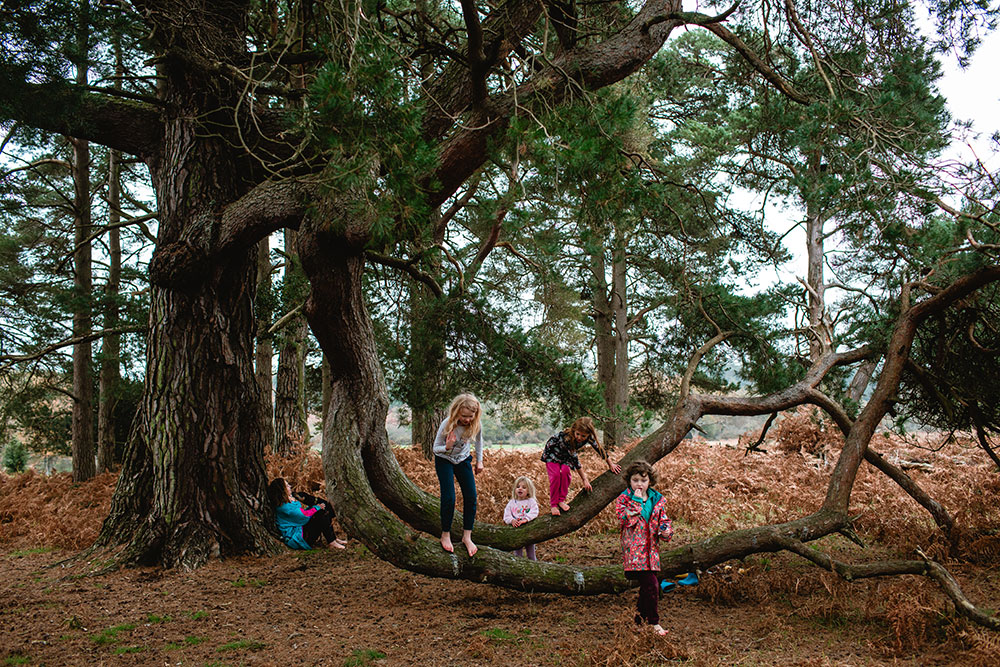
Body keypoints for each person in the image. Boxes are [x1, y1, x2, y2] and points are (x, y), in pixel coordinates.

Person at [615, 460, 673, 637]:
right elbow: (626, 520)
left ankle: (638, 623)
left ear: (650, 481)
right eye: (635, 480)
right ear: (629, 481)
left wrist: (665, 531)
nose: (639, 484)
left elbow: (663, 521)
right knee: (652, 585)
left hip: (651, 552)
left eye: (643, 480)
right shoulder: (624, 499)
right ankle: (654, 623)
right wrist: (636, 500)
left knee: (646, 589)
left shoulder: (657, 499)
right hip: (634, 552)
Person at [433, 393, 484, 556]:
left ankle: (467, 536)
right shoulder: (447, 424)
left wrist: (480, 461)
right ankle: (445, 534)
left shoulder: (475, 424)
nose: (467, 420)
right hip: (444, 460)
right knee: (449, 497)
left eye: (470, 416)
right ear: (456, 412)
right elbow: (435, 448)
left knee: (471, 496)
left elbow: (479, 442)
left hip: (463, 460)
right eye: (464, 416)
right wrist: (447, 446)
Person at [541, 416, 622, 515]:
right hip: (553, 454)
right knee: (556, 476)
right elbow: (575, 461)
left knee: (565, 473)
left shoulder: (589, 438)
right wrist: (584, 479)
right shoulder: (567, 438)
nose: (579, 437)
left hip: (565, 457)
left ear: (589, 435)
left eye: (583, 436)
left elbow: (600, 449)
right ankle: (554, 504)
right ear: (574, 430)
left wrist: (611, 464)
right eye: (577, 434)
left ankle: (561, 500)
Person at [267, 478, 347, 551]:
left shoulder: (287, 502)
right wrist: (317, 508)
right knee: (321, 513)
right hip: (298, 538)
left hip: (300, 530)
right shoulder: (284, 507)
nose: (290, 486)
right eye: (287, 486)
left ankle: (333, 538)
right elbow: (303, 516)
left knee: (322, 511)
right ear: (282, 490)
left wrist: (315, 507)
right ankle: (332, 542)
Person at [503, 475, 539, 560]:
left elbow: (534, 512)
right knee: (518, 554)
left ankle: (533, 565)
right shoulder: (512, 503)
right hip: (516, 531)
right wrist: (512, 520)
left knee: (531, 554)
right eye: (518, 487)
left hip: (529, 530)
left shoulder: (531, 502)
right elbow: (506, 515)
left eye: (524, 487)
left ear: (529, 491)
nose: (520, 489)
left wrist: (526, 519)